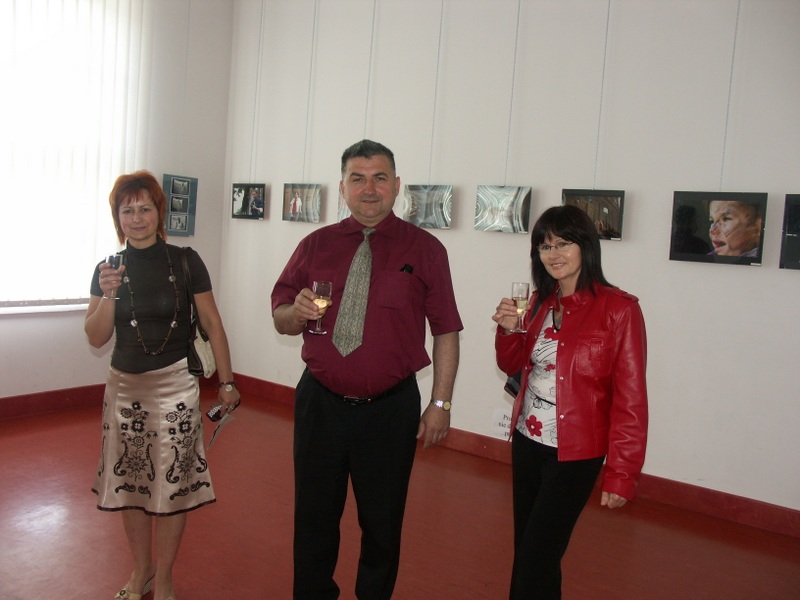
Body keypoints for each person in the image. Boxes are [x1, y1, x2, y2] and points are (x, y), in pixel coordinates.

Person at [271, 139, 462, 599]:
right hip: (320, 404)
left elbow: (446, 331)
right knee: (313, 519)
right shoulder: (314, 245)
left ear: (397, 185)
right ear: (343, 187)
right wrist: (296, 313)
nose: (369, 189)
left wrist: (440, 403)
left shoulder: (426, 249)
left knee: (382, 524)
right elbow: (281, 318)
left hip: (390, 411)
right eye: (358, 178)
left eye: (380, 178)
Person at [85, 170, 240, 600]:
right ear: (117, 218)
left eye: (145, 208)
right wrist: (109, 294)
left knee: (174, 487)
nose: (136, 218)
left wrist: (227, 382)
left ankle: (166, 576)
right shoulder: (107, 269)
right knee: (131, 485)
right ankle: (143, 571)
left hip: (176, 386)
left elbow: (212, 323)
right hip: (125, 389)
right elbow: (96, 337)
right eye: (127, 210)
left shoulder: (186, 261)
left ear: (160, 213)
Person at [492, 205, 648, 600]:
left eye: (563, 244)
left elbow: (631, 399)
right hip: (527, 442)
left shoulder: (620, 309)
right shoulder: (540, 303)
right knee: (529, 549)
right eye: (545, 246)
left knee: (538, 555)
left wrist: (622, 473)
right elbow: (511, 365)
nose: (554, 254)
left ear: (586, 246)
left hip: (576, 453)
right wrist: (508, 331)